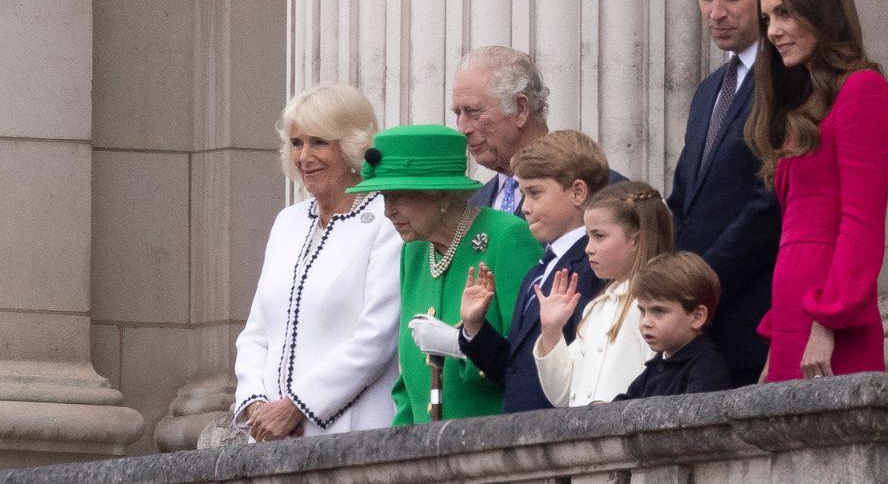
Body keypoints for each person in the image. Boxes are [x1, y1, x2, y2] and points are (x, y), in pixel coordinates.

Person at [748, 0, 888, 382]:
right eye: (767, 18)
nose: (773, 31)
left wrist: (829, 321)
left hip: (830, 325)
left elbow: (862, 224)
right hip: (793, 324)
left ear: (820, 10)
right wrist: (776, 340)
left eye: (785, 13)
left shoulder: (864, 90)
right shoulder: (805, 109)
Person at [233, 84, 402, 442]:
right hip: (270, 438)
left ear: (352, 145)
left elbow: (375, 340)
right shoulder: (288, 223)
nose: (304, 156)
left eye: (319, 142)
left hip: (352, 433)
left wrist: (296, 407)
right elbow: (255, 334)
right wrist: (256, 405)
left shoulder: (387, 222)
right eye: (297, 143)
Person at [347, 124, 542, 424]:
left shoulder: (507, 237)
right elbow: (407, 384)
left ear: (439, 194)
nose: (388, 211)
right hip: (426, 456)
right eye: (385, 197)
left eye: (398, 196)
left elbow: (528, 361)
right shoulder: (413, 252)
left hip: (494, 447)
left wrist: (461, 345)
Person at [666, 0, 780, 387]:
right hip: (695, 334)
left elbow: (767, 203)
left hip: (752, 321)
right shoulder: (708, 91)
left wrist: (701, 285)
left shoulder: (785, 79)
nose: (716, 13)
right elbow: (682, 202)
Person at [457, 131, 611, 412]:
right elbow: (515, 370)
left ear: (578, 192)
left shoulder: (594, 266)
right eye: (523, 193)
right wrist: (475, 329)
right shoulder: (536, 272)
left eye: (535, 193)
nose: (525, 207)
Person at [533, 181, 674, 407]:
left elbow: (659, 382)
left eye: (599, 236)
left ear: (636, 240)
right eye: (589, 237)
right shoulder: (595, 309)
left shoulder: (654, 304)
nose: (588, 248)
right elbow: (561, 395)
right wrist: (551, 331)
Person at [453, 45, 623, 216]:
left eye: (473, 112)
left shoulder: (602, 194)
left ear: (520, 109)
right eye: (458, 113)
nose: (462, 129)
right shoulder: (472, 206)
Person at [614, 252, 731, 401]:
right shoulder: (654, 369)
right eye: (642, 311)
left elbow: (695, 419)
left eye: (658, 311)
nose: (645, 322)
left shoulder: (707, 368)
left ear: (697, 316)